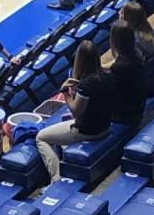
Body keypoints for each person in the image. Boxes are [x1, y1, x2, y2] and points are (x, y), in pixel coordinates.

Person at [34, 37, 130, 184]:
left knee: (41, 137)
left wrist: (65, 92)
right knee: (63, 126)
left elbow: (76, 111)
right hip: (105, 126)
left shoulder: (86, 85)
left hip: (88, 131)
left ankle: (56, 179)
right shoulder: (108, 76)